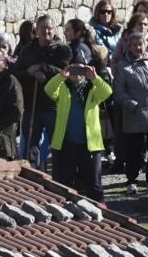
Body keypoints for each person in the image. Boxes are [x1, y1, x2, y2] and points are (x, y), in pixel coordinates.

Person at [43, 63, 113, 199]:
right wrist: (61, 76)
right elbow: (48, 89)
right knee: (62, 183)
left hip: (90, 145)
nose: (77, 73)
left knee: (94, 184)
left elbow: (108, 92)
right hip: (65, 143)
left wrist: (95, 78)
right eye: (74, 70)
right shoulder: (63, 87)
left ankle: (99, 212)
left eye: (81, 69)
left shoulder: (93, 88)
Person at [111, 30, 148, 196]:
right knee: (134, 149)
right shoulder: (122, 66)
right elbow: (118, 90)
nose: (138, 48)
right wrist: (129, 103)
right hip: (134, 113)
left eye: (140, 44)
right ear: (129, 46)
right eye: (134, 45)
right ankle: (131, 180)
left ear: (145, 45)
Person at [19, 13, 71, 166]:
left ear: (54, 30)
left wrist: (43, 69)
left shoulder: (63, 50)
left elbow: (65, 72)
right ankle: (33, 175)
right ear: (36, 30)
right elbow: (17, 72)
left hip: (53, 106)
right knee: (30, 146)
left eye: (49, 28)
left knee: (57, 145)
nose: (46, 32)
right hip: (32, 106)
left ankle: (59, 176)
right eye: (42, 28)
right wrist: (29, 73)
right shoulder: (27, 50)